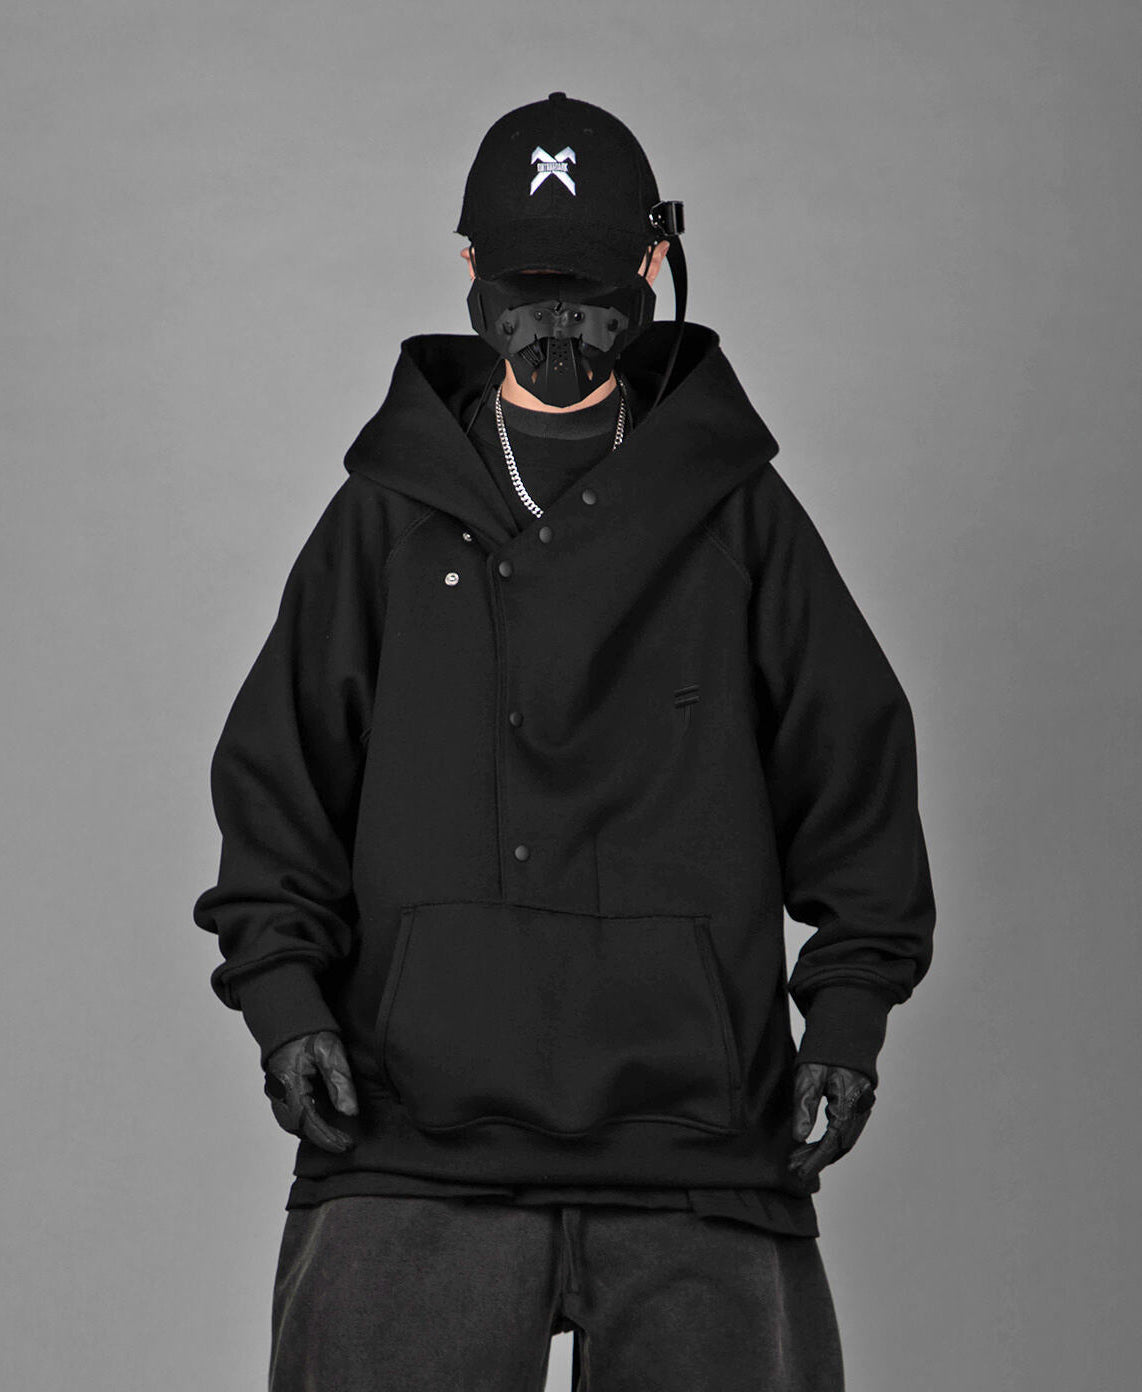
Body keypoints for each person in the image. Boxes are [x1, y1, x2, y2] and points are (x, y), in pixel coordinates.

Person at [194, 91, 936, 1391]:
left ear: (649, 270)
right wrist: (284, 1001)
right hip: (410, 1136)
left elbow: (853, 762)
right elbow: (281, 778)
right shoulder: (386, 519)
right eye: (525, 296)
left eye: (589, 296)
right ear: (471, 277)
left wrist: (848, 1014)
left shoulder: (738, 517)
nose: (555, 329)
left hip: (698, 1144)